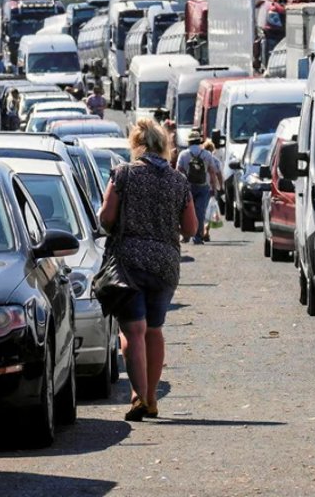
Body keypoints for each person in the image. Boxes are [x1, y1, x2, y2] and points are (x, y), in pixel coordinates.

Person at [98, 119, 198, 422]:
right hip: (165, 265)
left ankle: (138, 396)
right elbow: (191, 228)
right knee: (153, 329)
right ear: (163, 147)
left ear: (136, 145)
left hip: (128, 263)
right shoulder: (179, 181)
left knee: (133, 330)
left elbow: (106, 218)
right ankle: (151, 398)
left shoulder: (123, 174)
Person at [176, 131, 223, 245]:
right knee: (200, 212)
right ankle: (198, 237)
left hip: (188, 187)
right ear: (199, 141)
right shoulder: (206, 154)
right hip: (203, 187)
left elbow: (178, 171)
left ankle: (186, 235)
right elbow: (212, 171)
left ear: (189, 142)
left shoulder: (183, 154)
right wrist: (214, 187)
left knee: (185, 211)